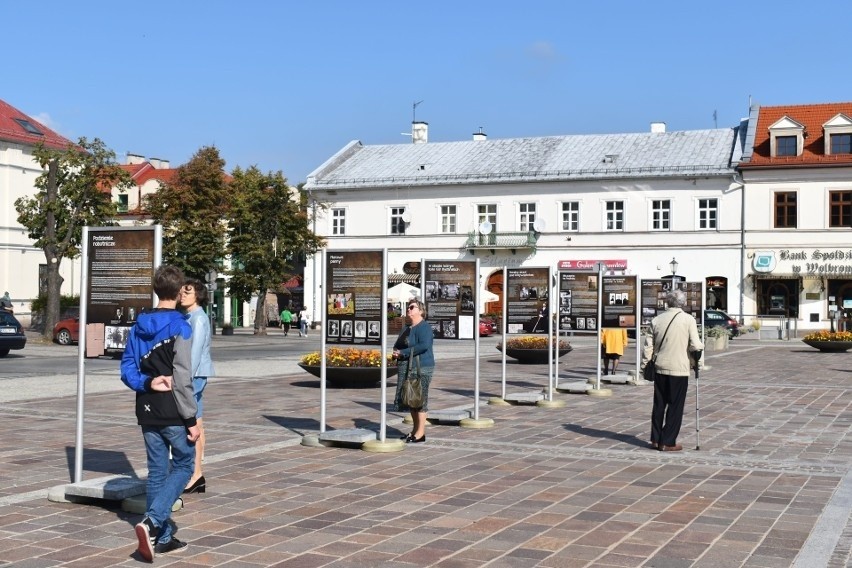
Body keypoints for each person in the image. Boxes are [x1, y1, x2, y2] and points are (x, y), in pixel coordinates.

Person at [120, 265, 199, 561]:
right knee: (183, 465)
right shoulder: (182, 326)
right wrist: (191, 419)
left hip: (146, 407)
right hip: (174, 410)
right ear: (179, 293)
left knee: (156, 471)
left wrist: (146, 381)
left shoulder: (138, 326)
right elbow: (183, 377)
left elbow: (127, 367)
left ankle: (162, 538)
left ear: (156, 290)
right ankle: (153, 522)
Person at [641, 289, 703, 452]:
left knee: (659, 404)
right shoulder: (688, 320)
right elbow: (696, 346)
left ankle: (655, 438)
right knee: (675, 406)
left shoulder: (657, 320)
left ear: (667, 302)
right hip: (679, 369)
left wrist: (645, 365)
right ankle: (667, 441)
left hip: (660, 367)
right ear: (682, 303)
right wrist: (698, 364)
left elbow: (648, 346)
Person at [180, 278, 215, 495]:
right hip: (195, 375)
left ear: (198, 295)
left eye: (188, 292)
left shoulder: (198, 319)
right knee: (197, 423)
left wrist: (185, 380)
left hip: (194, 375)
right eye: (182, 291)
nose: (182, 295)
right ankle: (197, 474)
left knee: (191, 424)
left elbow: (194, 353)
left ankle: (195, 474)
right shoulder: (190, 316)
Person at [392, 300, 435, 443]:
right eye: (408, 307)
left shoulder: (424, 327)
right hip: (408, 367)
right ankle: (414, 430)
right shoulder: (407, 328)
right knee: (411, 398)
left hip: (422, 367)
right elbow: (398, 344)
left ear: (421, 311)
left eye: (412, 307)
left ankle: (421, 433)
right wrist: (396, 352)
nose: (408, 310)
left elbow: (423, 346)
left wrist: (403, 352)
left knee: (420, 400)